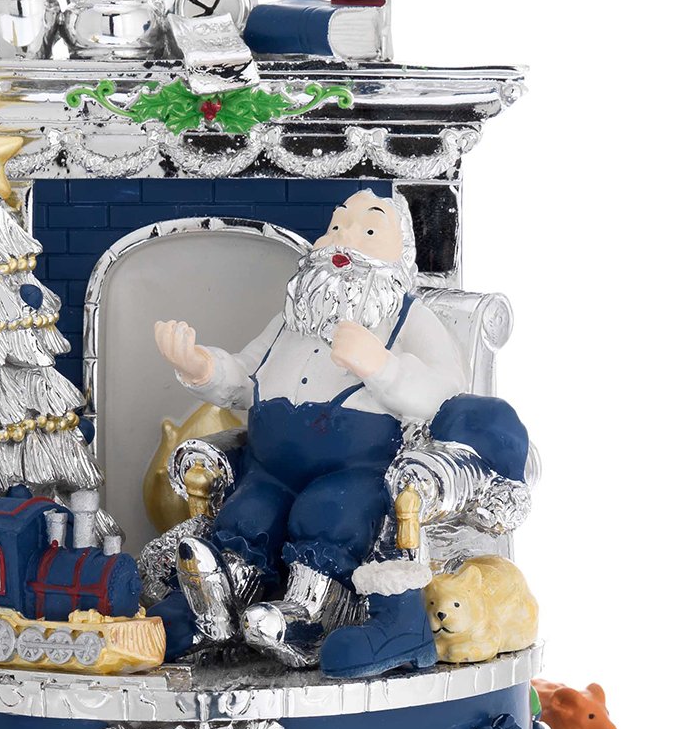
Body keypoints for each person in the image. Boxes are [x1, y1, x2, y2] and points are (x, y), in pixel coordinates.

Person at [150, 190, 468, 667]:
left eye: (368, 230)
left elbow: (446, 394)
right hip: (270, 468)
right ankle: (213, 608)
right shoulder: (292, 318)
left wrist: (381, 366)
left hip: (352, 470)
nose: (343, 240)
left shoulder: (408, 319)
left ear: (401, 256)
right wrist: (201, 366)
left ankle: (308, 616)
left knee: (328, 517)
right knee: (247, 517)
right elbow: (244, 377)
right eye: (336, 227)